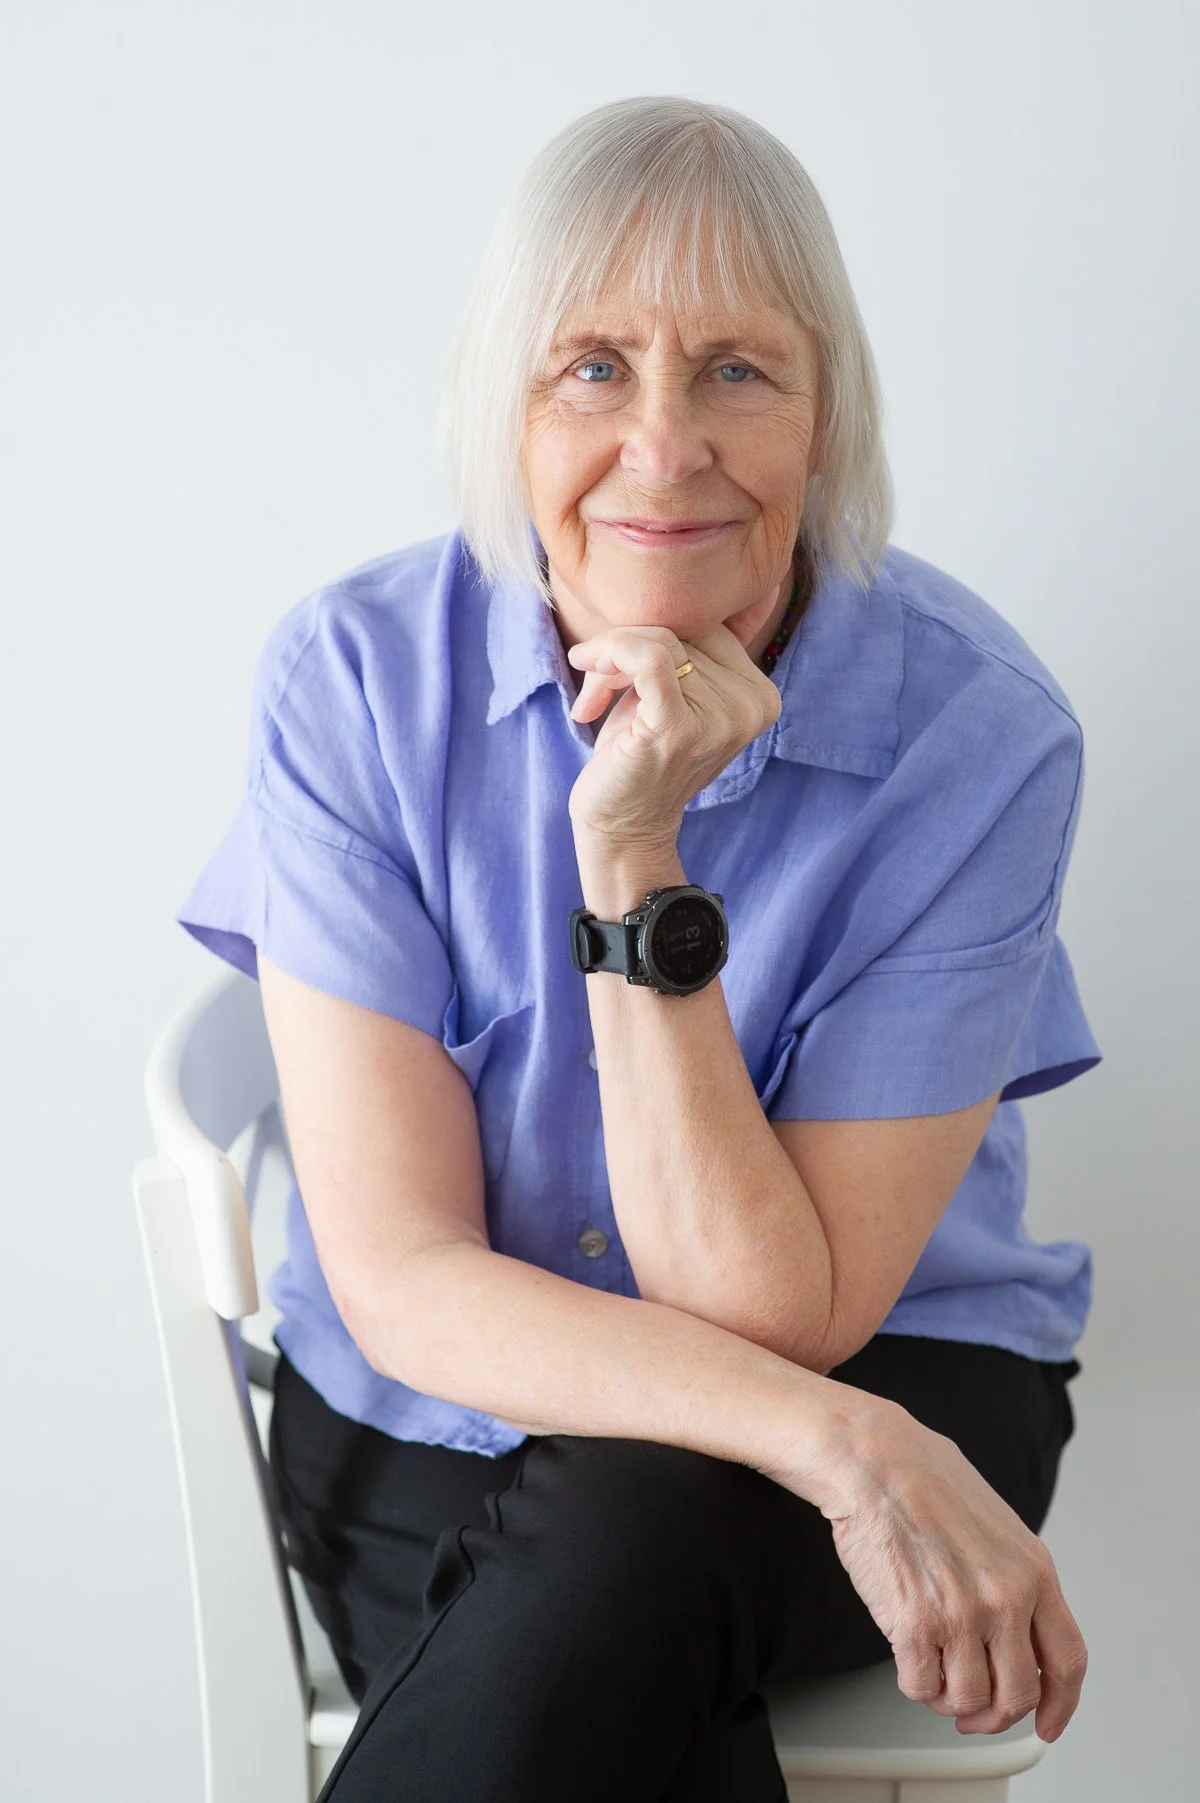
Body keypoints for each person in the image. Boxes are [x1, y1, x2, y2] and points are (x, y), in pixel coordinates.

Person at [176, 95, 1098, 1803]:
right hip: (441, 1402)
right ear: (502, 407)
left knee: (619, 1554)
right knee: (619, 1595)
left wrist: (630, 858)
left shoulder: (982, 735)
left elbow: (771, 1309)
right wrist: (847, 1452)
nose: (663, 447)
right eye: (590, 366)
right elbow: (405, 1275)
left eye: (738, 371)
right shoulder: (357, 682)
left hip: (899, 1350)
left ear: (827, 417)